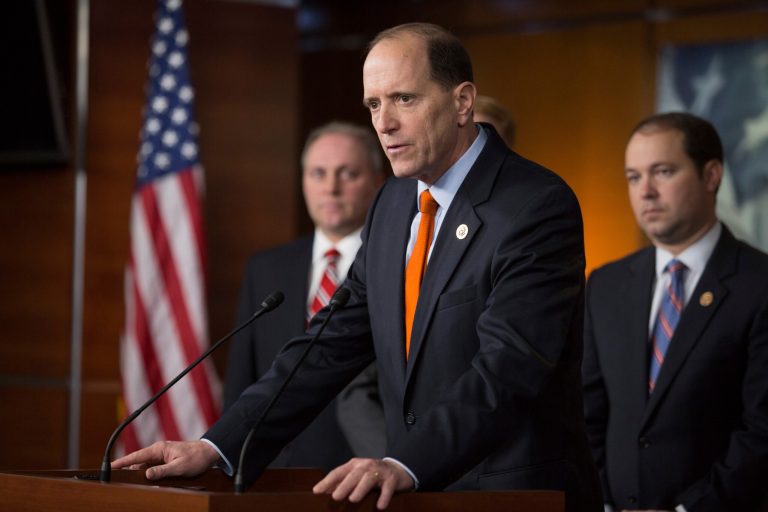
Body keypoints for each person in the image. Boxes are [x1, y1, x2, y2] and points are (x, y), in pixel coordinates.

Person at [112, 22, 602, 512]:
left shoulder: (534, 206)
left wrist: (405, 463)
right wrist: (216, 446)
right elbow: (329, 343)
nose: (384, 123)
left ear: (462, 102)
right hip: (416, 498)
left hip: (510, 497)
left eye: (404, 99)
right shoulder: (392, 202)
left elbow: (508, 368)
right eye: (373, 104)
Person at [582, 112, 768, 511]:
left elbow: (762, 430)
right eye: (634, 177)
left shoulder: (759, 284)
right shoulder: (605, 285)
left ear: (712, 175)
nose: (645, 191)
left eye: (662, 172)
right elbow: (587, 416)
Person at [223, 121, 388, 470]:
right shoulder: (266, 268)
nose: (331, 188)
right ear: (302, 182)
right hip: (276, 472)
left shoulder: (396, 266)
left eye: (348, 174)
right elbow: (243, 376)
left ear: (378, 181)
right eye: (318, 173)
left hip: (365, 468)